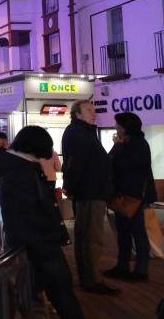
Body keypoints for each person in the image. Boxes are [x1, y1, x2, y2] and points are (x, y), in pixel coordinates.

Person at [0, 125, 84, 319]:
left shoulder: (18, 167)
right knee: (60, 289)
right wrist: (50, 235)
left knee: (42, 293)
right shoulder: (22, 171)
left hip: (33, 244)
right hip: (40, 245)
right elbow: (31, 210)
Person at [61, 100, 118, 295]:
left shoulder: (82, 131)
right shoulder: (80, 133)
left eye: (94, 110)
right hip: (90, 192)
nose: (94, 113)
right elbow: (75, 164)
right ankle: (92, 280)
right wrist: (71, 187)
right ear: (77, 114)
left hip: (89, 191)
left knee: (87, 237)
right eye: (89, 110)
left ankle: (88, 278)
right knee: (91, 238)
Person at [104, 112, 156, 282]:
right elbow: (109, 162)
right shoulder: (128, 144)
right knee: (123, 233)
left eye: (117, 125)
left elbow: (124, 166)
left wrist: (117, 146)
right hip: (122, 196)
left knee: (138, 233)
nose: (115, 127)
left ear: (125, 128)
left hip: (134, 197)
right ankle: (122, 266)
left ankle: (141, 271)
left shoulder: (139, 144)